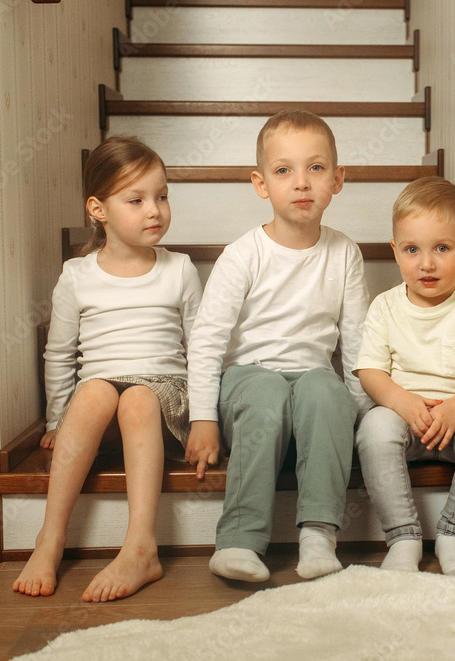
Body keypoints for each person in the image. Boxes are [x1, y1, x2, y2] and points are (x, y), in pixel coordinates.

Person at [12, 136, 202, 601]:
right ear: (97, 209)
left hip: (163, 404)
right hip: (97, 407)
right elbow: (59, 354)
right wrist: (57, 419)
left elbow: (202, 348)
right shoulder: (77, 276)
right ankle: (50, 539)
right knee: (95, 390)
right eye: (135, 200)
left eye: (161, 196)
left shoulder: (180, 269)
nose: (154, 210)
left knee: (136, 396)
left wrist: (204, 419)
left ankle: (141, 547)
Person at [185, 109, 371, 583]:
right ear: (261, 183)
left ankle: (317, 535)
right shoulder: (243, 254)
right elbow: (207, 339)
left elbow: (356, 345)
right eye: (284, 170)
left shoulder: (344, 252)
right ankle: (239, 540)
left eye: (316, 168)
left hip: (311, 381)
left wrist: (363, 415)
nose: (302, 183)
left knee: (329, 392)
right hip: (249, 381)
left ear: (338, 179)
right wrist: (203, 417)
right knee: (267, 391)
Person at [354, 176, 455, 575]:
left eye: (442, 248)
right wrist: (403, 402)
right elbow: (370, 371)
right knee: (374, 429)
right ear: (395, 251)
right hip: (403, 419)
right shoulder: (385, 307)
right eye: (412, 249)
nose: (426, 263)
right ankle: (403, 536)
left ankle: (453, 534)